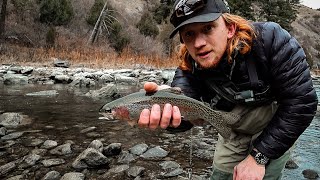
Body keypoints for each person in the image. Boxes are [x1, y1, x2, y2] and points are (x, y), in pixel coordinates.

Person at [138, 0, 318, 179]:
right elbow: (186, 103)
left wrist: (259, 157)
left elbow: (302, 103)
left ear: (230, 28)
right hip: (232, 129)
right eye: (189, 34)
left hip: (275, 125)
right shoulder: (189, 66)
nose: (199, 43)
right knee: (221, 175)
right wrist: (168, 107)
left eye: (208, 28)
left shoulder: (271, 40)